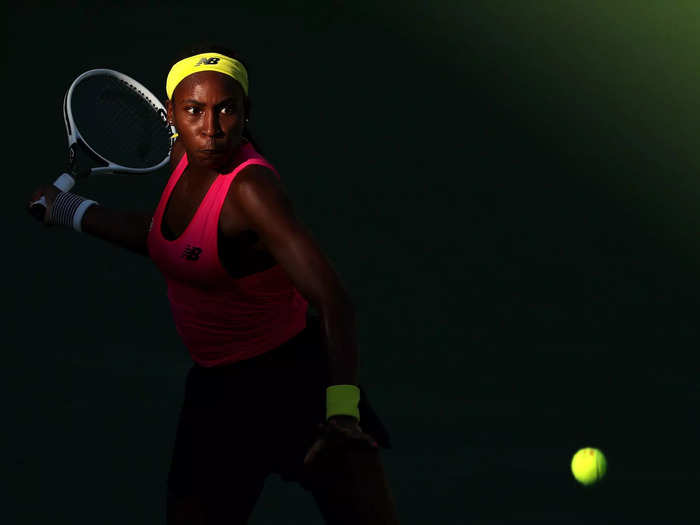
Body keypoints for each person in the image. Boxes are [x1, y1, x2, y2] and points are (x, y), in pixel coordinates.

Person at [27, 44, 400, 524]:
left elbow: (333, 300)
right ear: (171, 118)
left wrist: (342, 412)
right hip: (218, 391)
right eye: (195, 111)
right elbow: (165, 239)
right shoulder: (186, 155)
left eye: (227, 109)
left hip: (297, 384)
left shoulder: (252, 192)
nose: (212, 127)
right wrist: (69, 210)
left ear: (245, 113)